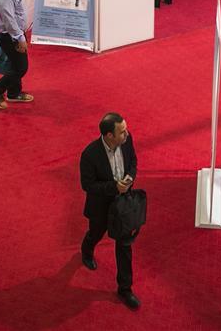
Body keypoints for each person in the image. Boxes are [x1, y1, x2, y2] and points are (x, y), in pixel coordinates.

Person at [80, 112, 140, 310]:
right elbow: (87, 185)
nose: (127, 134)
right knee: (96, 233)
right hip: (101, 206)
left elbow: (133, 163)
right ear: (109, 136)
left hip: (122, 205)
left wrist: (129, 178)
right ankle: (87, 250)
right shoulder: (90, 154)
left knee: (124, 245)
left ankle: (125, 289)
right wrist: (114, 187)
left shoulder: (127, 140)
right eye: (121, 132)